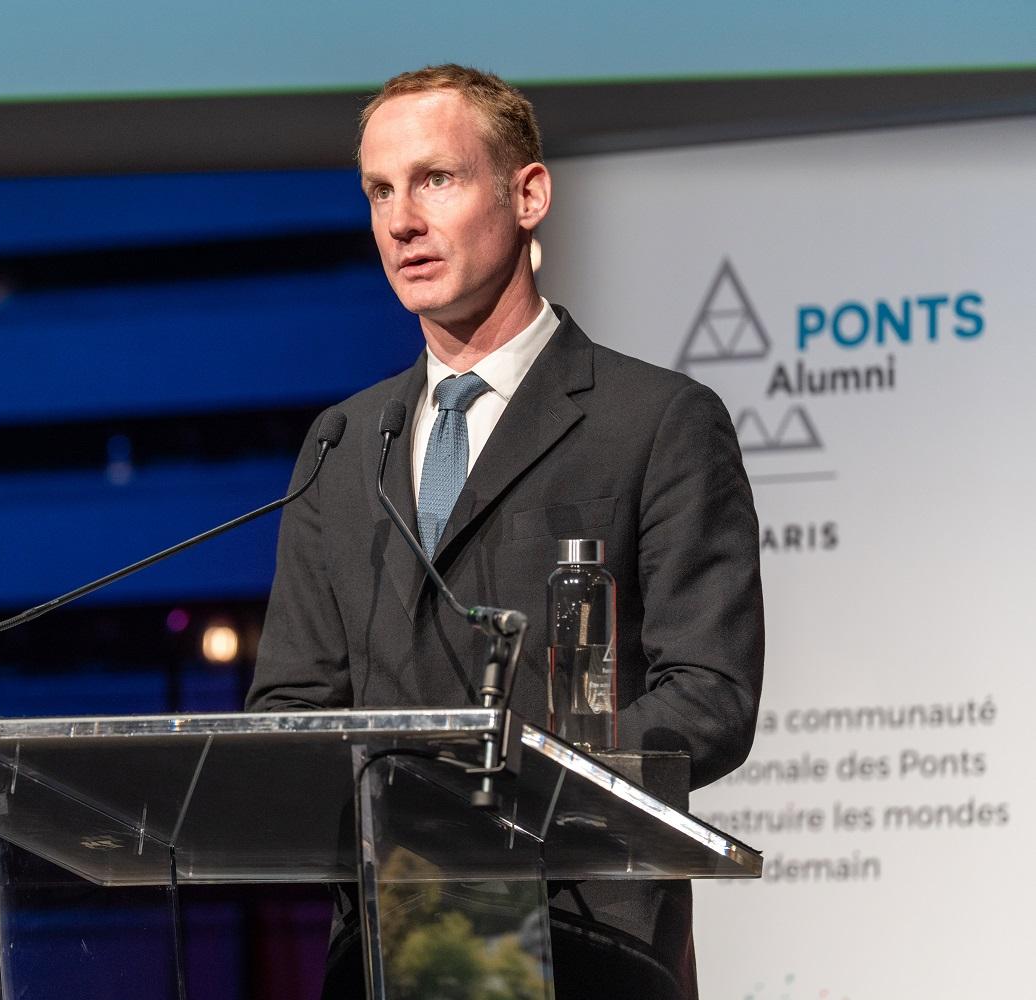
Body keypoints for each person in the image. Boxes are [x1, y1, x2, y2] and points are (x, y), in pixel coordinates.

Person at [245, 64, 765, 998]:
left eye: (435, 179)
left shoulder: (656, 421)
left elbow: (708, 697)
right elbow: (289, 705)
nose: (402, 221)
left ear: (528, 196)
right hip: (390, 950)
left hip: (585, 942)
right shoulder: (344, 442)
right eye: (379, 191)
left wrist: (505, 786)